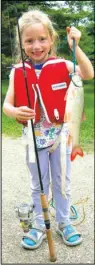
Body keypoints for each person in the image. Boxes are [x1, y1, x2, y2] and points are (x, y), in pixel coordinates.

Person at [3, 9, 94, 249]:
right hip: (33, 140)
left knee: (61, 182)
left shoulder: (63, 65)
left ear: (51, 39)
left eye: (42, 39)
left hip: (61, 139)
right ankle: (38, 224)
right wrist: (13, 112)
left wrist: (75, 48)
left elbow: (88, 73)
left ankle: (64, 221)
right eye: (29, 40)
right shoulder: (17, 72)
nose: (36, 45)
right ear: (22, 43)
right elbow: (6, 105)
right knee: (39, 185)